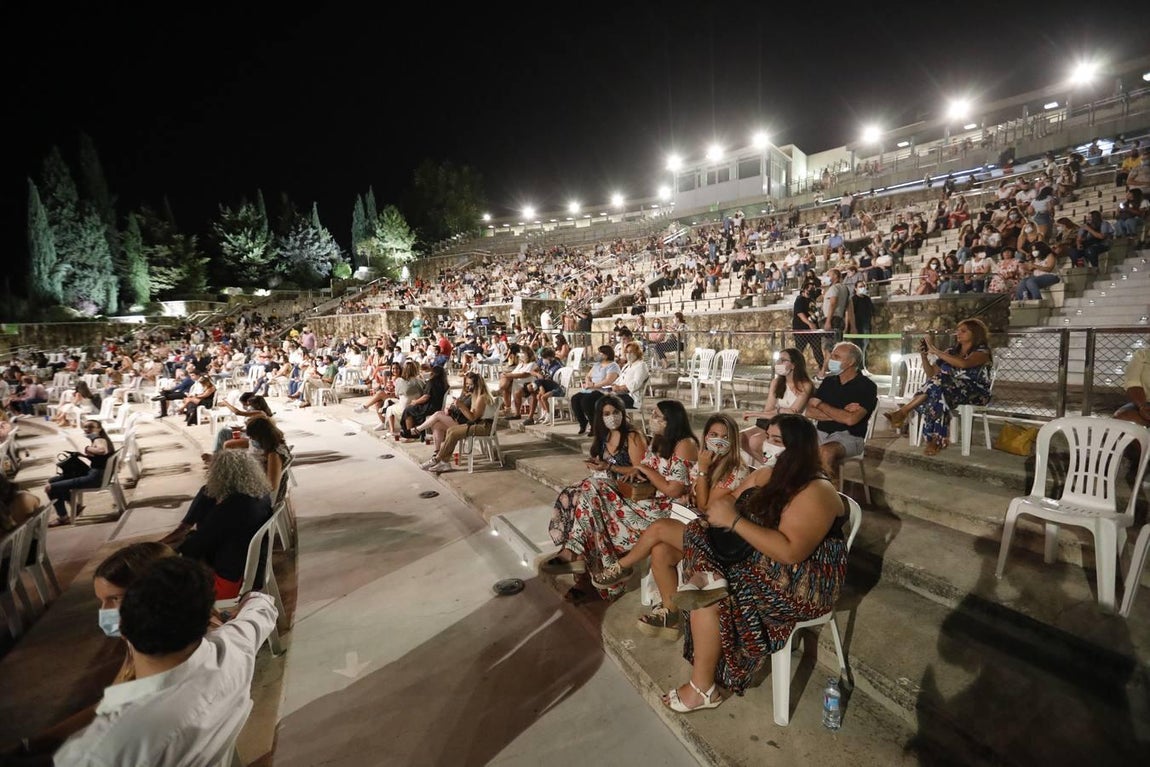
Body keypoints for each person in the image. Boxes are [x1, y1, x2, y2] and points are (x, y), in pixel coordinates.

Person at [653, 414, 847, 712]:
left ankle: (703, 689)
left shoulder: (817, 490)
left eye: (777, 440)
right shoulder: (772, 473)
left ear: (798, 448)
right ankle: (708, 576)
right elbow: (724, 501)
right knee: (696, 530)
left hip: (800, 583)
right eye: (768, 437)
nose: (767, 445)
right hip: (766, 560)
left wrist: (734, 521)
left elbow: (790, 552)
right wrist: (729, 505)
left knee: (711, 599)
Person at [50, 557, 278, 766]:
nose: (104, 611)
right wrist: (244, 602)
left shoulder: (103, 748)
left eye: (115, 599)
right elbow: (262, 606)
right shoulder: (233, 647)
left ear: (127, 622)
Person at [593, 413, 752, 632]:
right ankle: (670, 613)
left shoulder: (736, 470)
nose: (718, 441)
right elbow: (696, 497)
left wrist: (703, 471)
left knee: (659, 527)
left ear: (733, 441)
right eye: (713, 434)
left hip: (719, 538)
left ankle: (622, 567)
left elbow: (706, 506)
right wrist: (690, 493)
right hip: (698, 527)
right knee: (660, 551)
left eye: (725, 437)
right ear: (705, 436)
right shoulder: (707, 462)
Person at [542, 398, 696, 606]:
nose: (652, 419)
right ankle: (583, 558)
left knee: (592, 499)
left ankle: (583, 557)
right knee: (587, 493)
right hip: (650, 501)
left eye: (657, 416)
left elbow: (673, 489)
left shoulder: (685, 444)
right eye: (653, 414)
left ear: (671, 420)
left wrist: (643, 470)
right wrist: (633, 472)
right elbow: (642, 469)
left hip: (668, 508)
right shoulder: (659, 441)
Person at [161, 450, 274, 599]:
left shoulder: (231, 508)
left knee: (164, 582)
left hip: (229, 582)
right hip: (254, 571)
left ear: (219, 476)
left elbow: (194, 548)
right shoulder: (261, 497)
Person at [883, 319, 994, 456]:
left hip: (976, 392)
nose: (958, 333)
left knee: (938, 385)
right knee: (938, 393)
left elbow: (964, 364)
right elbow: (931, 373)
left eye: (963, 331)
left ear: (975, 333)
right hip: (948, 390)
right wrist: (924, 356)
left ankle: (905, 413)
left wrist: (935, 350)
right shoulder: (951, 352)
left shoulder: (982, 352)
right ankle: (935, 440)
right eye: (958, 330)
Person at [802, 342, 877, 486]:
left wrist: (821, 405)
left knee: (826, 452)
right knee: (791, 442)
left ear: (851, 362)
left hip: (850, 436)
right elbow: (809, 411)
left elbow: (851, 421)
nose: (831, 360)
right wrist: (842, 413)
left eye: (836, 357)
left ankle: (829, 492)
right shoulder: (829, 381)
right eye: (832, 356)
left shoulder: (867, 386)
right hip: (821, 433)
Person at [738, 348, 814, 464]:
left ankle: (774, 468)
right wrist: (778, 411)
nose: (779, 363)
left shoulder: (805, 385)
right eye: (778, 360)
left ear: (794, 365)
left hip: (794, 426)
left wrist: (758, 413)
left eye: (783, 360)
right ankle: (768, 466)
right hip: (776, 422)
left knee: (755, 441)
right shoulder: (776, 382)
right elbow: (769, 409)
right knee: (739, 437)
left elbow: (793, 413)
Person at [421, 372, 496, 474]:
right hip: (478, 424)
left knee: (453, 433)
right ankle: (444, 462)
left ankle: (438, 459)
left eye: (470, 384)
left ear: (477, 385)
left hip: (484, 426)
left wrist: (461, 406)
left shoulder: (481, 397)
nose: (468, 386)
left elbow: (473, 418)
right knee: (451, 430)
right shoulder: (475, 396)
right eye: (467, 384)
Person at [44, 420, 114, 526]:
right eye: (85, 427)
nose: (87, 429)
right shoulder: (100, 439)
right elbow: (101, 458)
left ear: (99, 429)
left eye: (91, 427)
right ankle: (75, 506)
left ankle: (63, 517)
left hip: (95, 479)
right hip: (97, 475)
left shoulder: (99, 439)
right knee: (53, 481)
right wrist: (84, 455)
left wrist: (86, 448)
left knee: (50, 488)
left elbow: (102, 450)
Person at [569, 345, 622, 436]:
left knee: (586, 401)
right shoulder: (597, 365)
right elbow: (588, 376)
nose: (597, 355)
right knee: (575, 398)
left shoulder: (613, 366)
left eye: (600, 353)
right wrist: (588, 383)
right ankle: (583, 422)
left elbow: (608, 381)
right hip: (591, 389)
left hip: (602, 391)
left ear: (606, 355)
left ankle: (594, 424)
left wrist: (594, 385)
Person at [400, 364, 447, 441]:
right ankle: (414, 431)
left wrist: (415, 402)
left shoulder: (431, 383)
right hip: (437, 406)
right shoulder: (444, 384)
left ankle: (411, 434)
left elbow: (426, 397)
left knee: (408, 410)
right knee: (412, 409)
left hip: (429, 407)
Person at [791, 282, 824, 373]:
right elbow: (800, 313)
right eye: (810, 288)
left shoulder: (811, 299)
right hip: (802, 330)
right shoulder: (800, 300)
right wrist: (809, 324)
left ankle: (822, 368)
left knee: (817, 350)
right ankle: (795, 369)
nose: (813, 290)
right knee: (799, 351)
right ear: (805, 289)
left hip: (813, 331)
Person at [1114, 347, 1150, 427]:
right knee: (1123, 417)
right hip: (1146, 403)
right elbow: (1133, 384)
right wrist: (1142, 407)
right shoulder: (1142, 355)